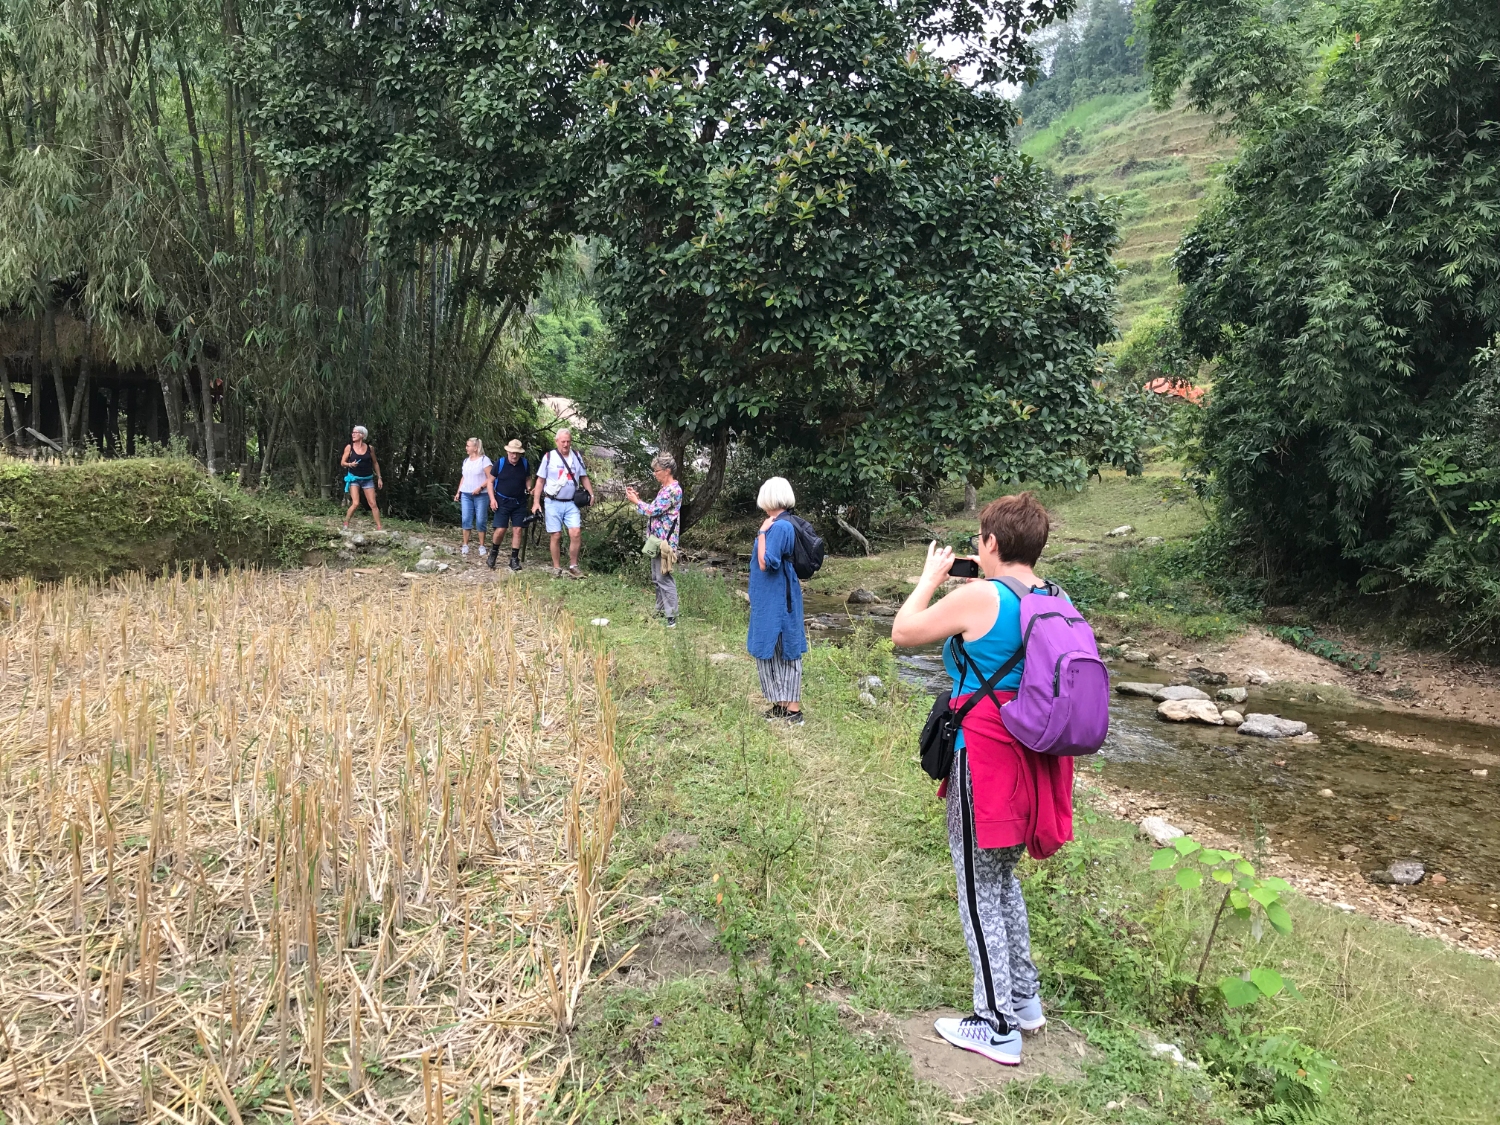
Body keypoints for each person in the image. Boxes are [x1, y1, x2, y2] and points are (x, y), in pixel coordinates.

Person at [890, 491, 1073, 1069]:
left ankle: (993, 1024)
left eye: (979, 540)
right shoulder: (1055, 597)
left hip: (985, 759)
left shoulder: (980, 596)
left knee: (976, 885)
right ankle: (1023, 1002)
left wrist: (929, 577)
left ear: (991, 544)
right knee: (1002, 879)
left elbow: (903, 632)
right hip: (1035, 760)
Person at [746, 476, 807, 724]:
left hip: (780, 599)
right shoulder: (778, 523)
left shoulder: (779, 527)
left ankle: (794, 711)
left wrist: (761, 532)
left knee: (787, 650)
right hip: (770, 597)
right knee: (770, 649)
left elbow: (767, 562)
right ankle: (780, 705)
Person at [624, 453, 683, 627]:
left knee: (664, 577)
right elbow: (653, 510)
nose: (655, 474)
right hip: (656, 539)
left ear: (667, 470)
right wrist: (639, 501)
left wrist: (636, 501)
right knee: (656, 577)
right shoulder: (664, 489)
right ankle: (660, 610)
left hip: (665, 542)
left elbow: (653, 510)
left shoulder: (673, 490)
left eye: (657, 471)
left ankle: (672, 617)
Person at [532, 428, 594, 578]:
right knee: (556, 535)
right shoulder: (549, 457)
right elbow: (540, 480)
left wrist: (591, 493)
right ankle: (556, 567)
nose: (566, 445)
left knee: (576, 532)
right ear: (557, 441)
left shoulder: (576, 457)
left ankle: (573, 565)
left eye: (568, 441)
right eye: (563, 442)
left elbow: (584, 477)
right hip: (552, 502)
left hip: (571, 502)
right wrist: (535, 502)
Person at [487, 439, 534, 571]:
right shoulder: (500, 463)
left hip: (519, 501)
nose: (514, 456)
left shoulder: (524, 464)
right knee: (501, 529)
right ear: (508, 452)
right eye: (512, 453)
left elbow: (527, 478)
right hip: (502, 501)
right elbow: (490, 482)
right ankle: (493, 552)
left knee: (518, 529)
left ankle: (514, 559)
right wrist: (492, 499)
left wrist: (529, 488)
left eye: (517, 453)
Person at [454, 438, 494, 556]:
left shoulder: (484, 460)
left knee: (481, 519)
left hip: (481, 494)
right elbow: (464, 477)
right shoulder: (466, 461)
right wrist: (458, 492)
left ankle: (482, 545)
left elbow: (491, 478)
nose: (466, 448)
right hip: (466, 493)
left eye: (468, 446)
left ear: (475, 448)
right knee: (466, 518)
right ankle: (465, 545)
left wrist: (480, 488)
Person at [341, 425, 383, 530]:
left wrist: (379, 477)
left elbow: (375, 463)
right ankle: (346, 523)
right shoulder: (349, 447)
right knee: (355, 503)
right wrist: (350, 464)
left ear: (362, 435)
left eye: (356, 432)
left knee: (373, 503)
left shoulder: (370, 448)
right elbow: (342, 462)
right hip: (354, 478)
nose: (353, 434)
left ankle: (379, 527)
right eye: (353, 432)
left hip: (367, 479)